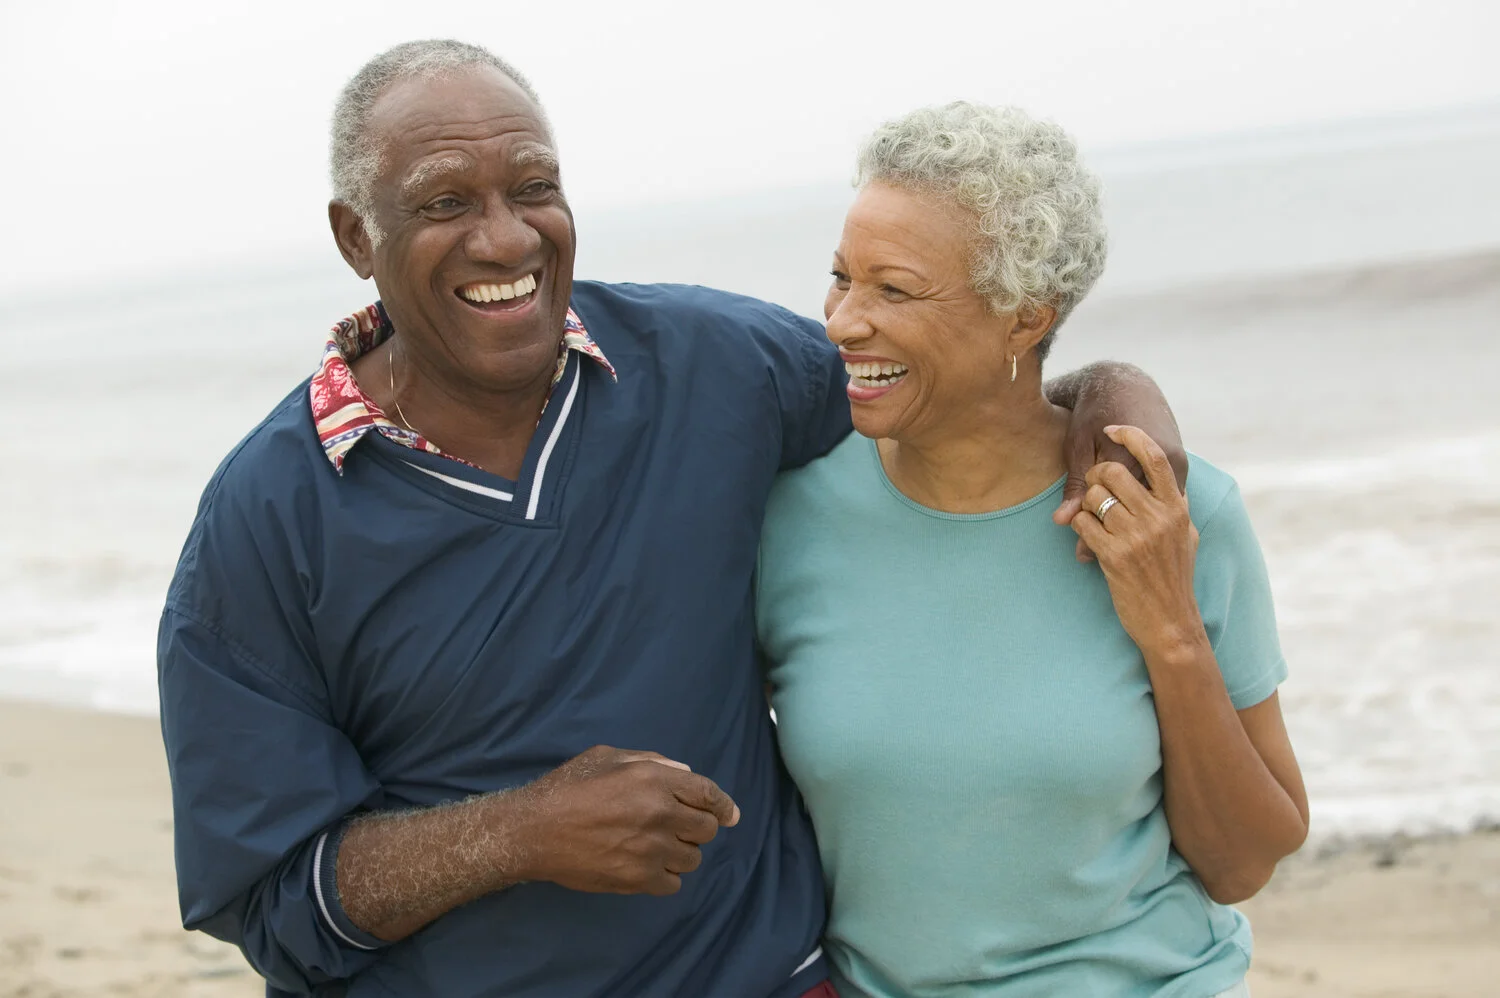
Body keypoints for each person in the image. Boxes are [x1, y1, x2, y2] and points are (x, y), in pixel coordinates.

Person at [158, 42, 1187, 998]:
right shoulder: (265, 517)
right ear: (356, 236)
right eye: (443, 202)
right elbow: (269, 899)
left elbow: (947, 392)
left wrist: (1116, 395)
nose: (505, 236)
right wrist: (520, 834)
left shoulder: (716, 363)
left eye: (534, 188)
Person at [756, 102, 1310, 998]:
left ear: (1023, 319)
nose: (843, 323)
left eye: (894, 290)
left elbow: (1244, 864)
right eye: (841, 278)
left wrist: (1171, 631)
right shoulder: (788, 517)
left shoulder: (1173, 510)